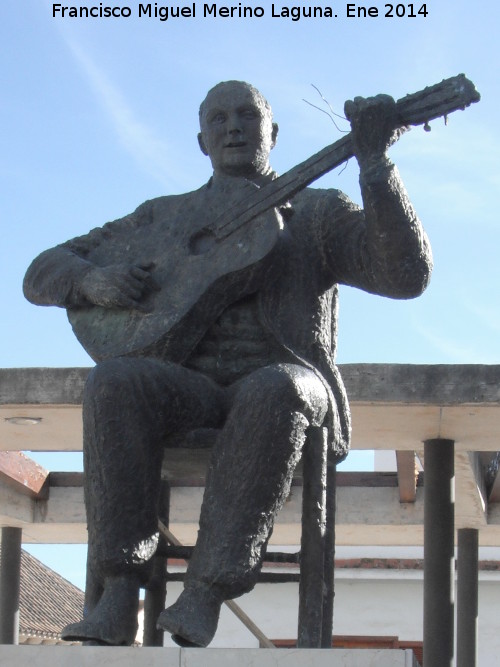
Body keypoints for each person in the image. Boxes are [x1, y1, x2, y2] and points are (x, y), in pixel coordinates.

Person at [23, 80, 433, 647]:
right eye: (218, 119)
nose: (233, 127)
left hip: (288, 384)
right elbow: (41, 269)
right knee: (115, 380)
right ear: (201, 141)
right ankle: (118, 590)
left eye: (247, 115)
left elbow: (404, 275)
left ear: (273, 133)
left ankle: (206, 591)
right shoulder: (165, 218)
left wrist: (377, 168)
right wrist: (89, 281)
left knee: (276, 389)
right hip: (189, 385)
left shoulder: (316, 211)